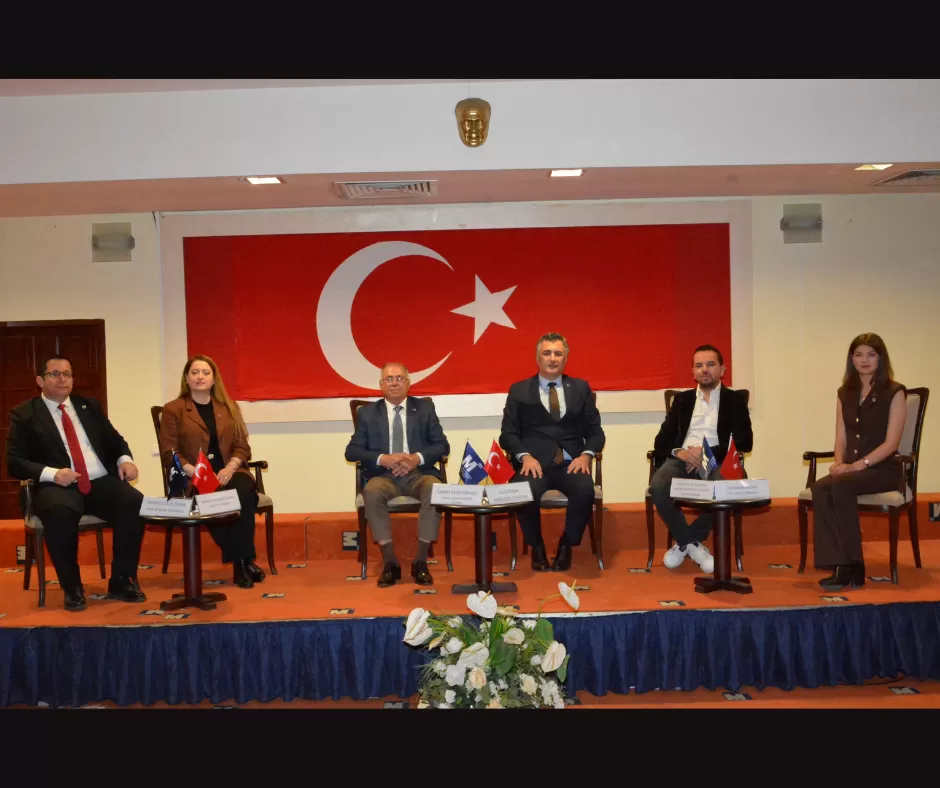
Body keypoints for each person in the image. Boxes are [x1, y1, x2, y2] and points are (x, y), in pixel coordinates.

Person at [4, 355, 147, 611]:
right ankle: (72, 586)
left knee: (133, 501)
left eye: (67, 374)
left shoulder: (88, 406)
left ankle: (122, 580)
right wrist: (52, 473)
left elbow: (115, 441)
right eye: (55, 374)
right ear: (40, 381)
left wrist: (125, 460)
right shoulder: (24, 414)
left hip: (98, 480)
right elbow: (14, 462)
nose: (62, 379)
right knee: (59, 511)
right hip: (56, 485)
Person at [499, 332, 605, 572]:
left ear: (566, 358)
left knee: (584, 489)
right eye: (547, 353)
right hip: (534, 464)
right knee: (522, 491)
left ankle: (567, 545)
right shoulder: (519, 390)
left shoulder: (580, 388)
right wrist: (524, 456)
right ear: (537, 358)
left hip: (571, 464)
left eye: (558, 353)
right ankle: (536, 546)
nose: (553, 358)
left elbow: (596, 433)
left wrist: (586, 455)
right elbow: (507, 434)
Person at [158, 354, 265, 589]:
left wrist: (231, 467)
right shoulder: (174, 409)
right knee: (215, 498)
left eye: (206, 373)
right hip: (195, 476)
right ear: (186, 378)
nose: (200, 377)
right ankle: (242, 561)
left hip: (229, 471)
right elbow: (170, 452)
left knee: (244, 490)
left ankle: (241, 561)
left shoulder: (229, 407)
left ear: (214, 379)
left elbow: (242, 446)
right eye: (195, 372)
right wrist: (193, 471)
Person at [811, 333, 906, 590]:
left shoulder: (894, 392)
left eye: (871, 354)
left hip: (883, 470)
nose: (864, 360)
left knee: (841, 485)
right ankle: (839, 561)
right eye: (859, 354)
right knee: (820, 488)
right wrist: (838, 464)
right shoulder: (845, 393)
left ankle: (853, 564)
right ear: (851, 359)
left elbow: (891, 443)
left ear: (881, 358)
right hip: (853, 471)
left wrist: (855, 466)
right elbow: (840, 437)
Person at [345, 362, 450, 588]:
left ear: (408, 383)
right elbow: (352, 451)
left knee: (435, 489)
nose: (394, 383)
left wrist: (416, 459)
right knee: (371, 492)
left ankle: (420, 561)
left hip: (418, 474)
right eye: (389, 379)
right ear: (381, 385)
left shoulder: (424, 409)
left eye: (400, 378)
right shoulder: (367, 413)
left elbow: (442, 446)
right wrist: (383, 458)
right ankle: (390, 562)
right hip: (383, 476)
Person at [650, 344, 753, 574]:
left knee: (727, 488)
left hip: (718, 460)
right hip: (683, 460)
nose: (704, 369)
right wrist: (682, 453)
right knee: (658, 485)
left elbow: (745, 442)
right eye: (699, 365)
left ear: (722, 369)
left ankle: (686, 542)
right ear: (693, 372)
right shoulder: (682, 401)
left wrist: (705, 452)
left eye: (710, 364)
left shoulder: (734, 400)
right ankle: (693, 544)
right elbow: (661, 441)